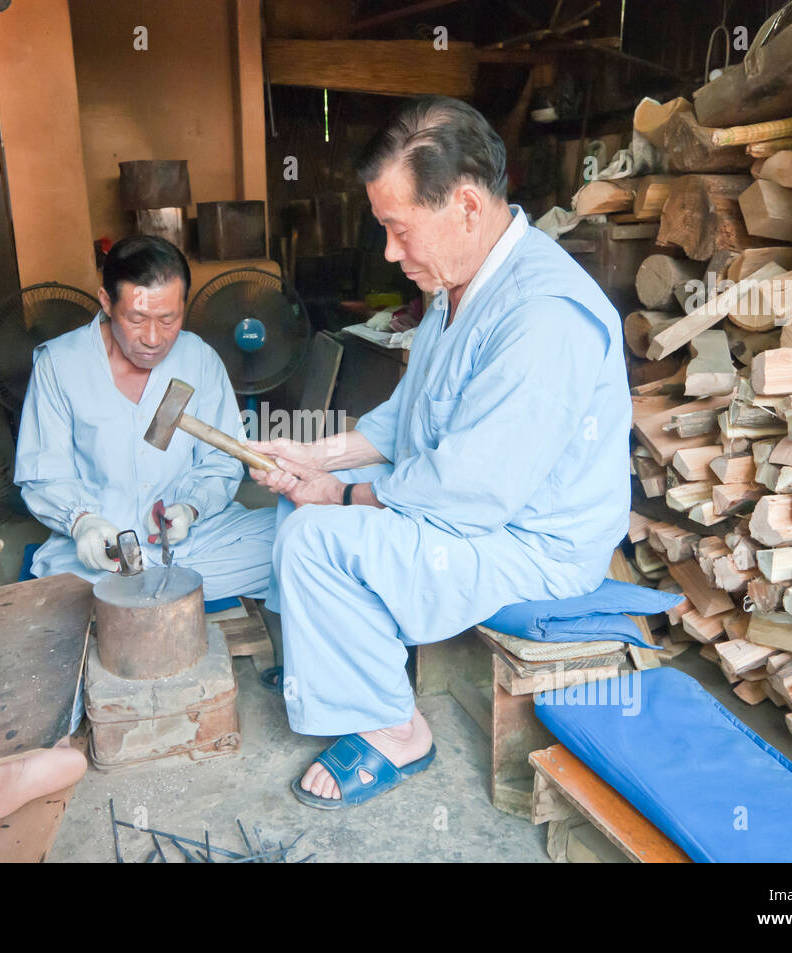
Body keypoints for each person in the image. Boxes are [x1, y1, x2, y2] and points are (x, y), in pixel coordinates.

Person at [248, 96, 631, 809]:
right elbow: (404, 422)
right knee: (296, 490)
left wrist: (341, 495)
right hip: (478, 506)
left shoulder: (544, 315)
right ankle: (327, 654)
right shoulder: (463, 287)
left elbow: (470, 489)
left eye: (397, 229)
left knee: (317, 539)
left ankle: (398, 733)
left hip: (531, 544)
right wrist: (314, 458)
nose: (390, 251)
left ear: (463, 205)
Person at [0, 235, 275, 826]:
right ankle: (43, 753)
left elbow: (223, 463)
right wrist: (83, 522)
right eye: (138, 318)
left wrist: (193, 508)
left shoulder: (199, 359)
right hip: (98, 553)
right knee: (63, 617)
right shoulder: (59, 364)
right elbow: (42, 472)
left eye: (169, 319)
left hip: (189, 544)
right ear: (106, 301)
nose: (153, 337)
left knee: (296, 542)